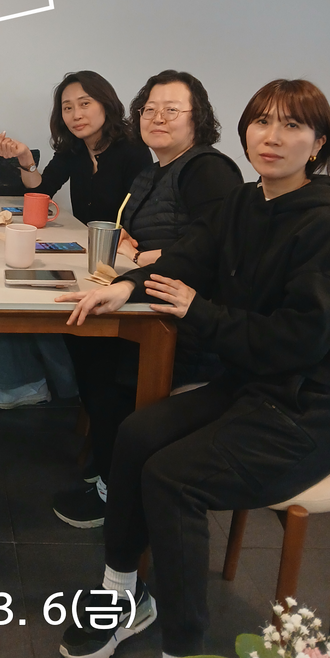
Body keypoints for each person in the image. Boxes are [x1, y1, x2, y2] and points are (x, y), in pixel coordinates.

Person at [55, 78, 330, 658]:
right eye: (262, 121)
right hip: (247, 384)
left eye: (292, 125)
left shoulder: (325, 222)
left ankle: (183, 652)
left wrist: (198, 311)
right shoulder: (246, 200)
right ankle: (121, 594)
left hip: (307, 406)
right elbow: (188, 257)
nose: (272, 136)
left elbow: (299, 340)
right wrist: (126, 287)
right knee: (135, 434)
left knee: (173, 478)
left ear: (318, 144)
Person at [53, 70, 243, 529]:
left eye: (171, 110)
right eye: (149, 109)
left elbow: (210, 250)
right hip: (150, 299)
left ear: (198, 118)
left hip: (185, 323)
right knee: (81, 334)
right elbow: (149, 236)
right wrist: (130, 246)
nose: (157, 118)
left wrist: (137, 271)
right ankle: (108, 460)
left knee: (99, 355)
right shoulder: (153, 171)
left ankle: (116, 486)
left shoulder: (207, 170)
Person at [0, 71, 152, 408]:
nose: (76, 114)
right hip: (86, 250)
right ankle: (36, 381)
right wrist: (25, 159)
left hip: (121, 257)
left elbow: (141, 211)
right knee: (18, 282)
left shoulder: (132, 150)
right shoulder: (74, 149)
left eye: (84, 104)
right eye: (67, 107)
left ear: (106, 104)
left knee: (39, 298)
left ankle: (58, 385)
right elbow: (43, 190)